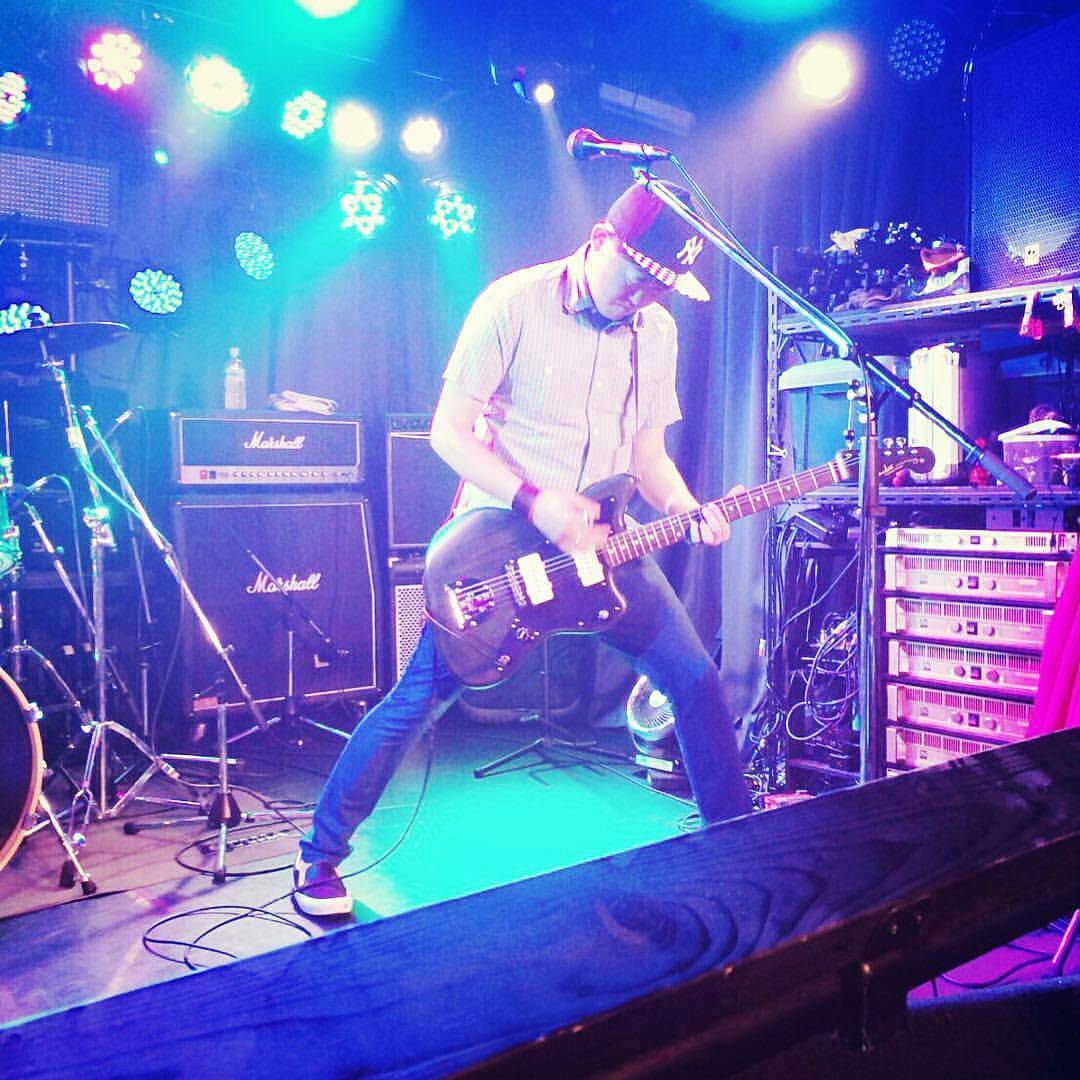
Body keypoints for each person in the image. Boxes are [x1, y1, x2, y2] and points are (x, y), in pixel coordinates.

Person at [293, 180, 752, 916]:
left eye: (661, 287)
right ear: (601, 241)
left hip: (603, 546)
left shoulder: (657, 331)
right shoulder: (511, 303)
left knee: (695, 680)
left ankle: (742, 849)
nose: (644, 296)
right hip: (500, 546)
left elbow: (647, 456)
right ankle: (318, 855)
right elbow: (449, 432)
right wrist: (538, 503)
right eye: (638, 275)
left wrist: (685, 507)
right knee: (417, 700)